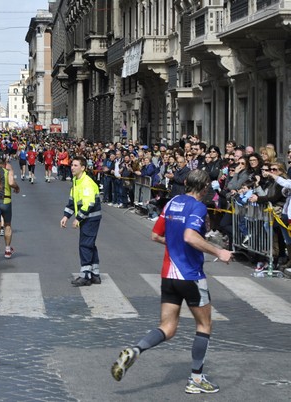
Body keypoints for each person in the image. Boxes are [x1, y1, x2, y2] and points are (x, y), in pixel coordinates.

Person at [111, 169, 232, 394]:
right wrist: (218, 251)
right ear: (205, 188)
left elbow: (155, 235)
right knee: (204, 325)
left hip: (169, 275)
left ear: (186, 183)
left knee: (167, 327)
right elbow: (190, 236)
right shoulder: (198, 207)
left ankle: (136, 350)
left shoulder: (173, 202)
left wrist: (175, 242)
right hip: (191, 275)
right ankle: (196, 379)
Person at [60, 156, 103, 286]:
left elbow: (88, 203)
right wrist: (66, 216)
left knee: (85, 245)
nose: (72, 167)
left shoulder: (86, 182)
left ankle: (85, 275)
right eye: (72, 165)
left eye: (75, 165)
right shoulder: (76, 181)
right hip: (88, 218)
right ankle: (95, 274)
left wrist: (78, 218)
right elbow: (73, 202)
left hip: (91, 218)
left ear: (83, 168)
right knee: (90, 245)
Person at [0, 157, 20, 259]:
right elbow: (11, 183)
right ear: (4, 163)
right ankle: (7, 250)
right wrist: (17, 188)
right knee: (7, 225)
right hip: (6, 201)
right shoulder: (7, 171)